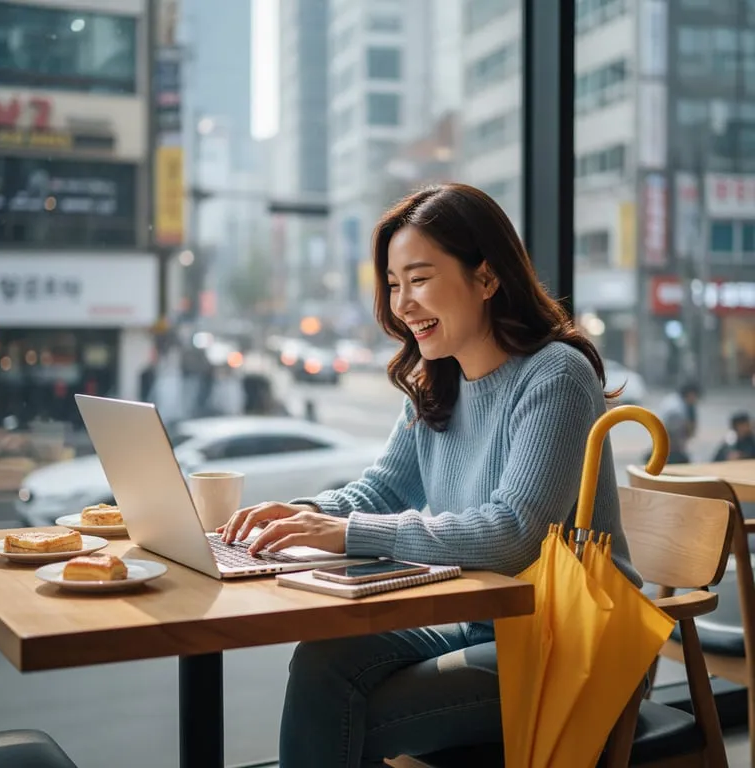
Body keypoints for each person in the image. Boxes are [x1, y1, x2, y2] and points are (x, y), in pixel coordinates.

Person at [219, 183, 635, 767]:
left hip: (567, 643)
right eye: (393, 285)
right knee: (323, 658)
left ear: (487, 279)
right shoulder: (434, 378)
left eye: (419, 279)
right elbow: (381, 490)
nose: (401, 304)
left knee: (337, 703)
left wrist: (347, 533)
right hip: (476, 628)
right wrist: (299, 514)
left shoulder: (556, 375)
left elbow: (514, 533)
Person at [655, 381, 701, 464]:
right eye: (695, 396)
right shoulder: (676, 409)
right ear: (690, 394)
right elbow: (673, 430)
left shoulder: (680, 401)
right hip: (669, 441)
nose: (695, 400)